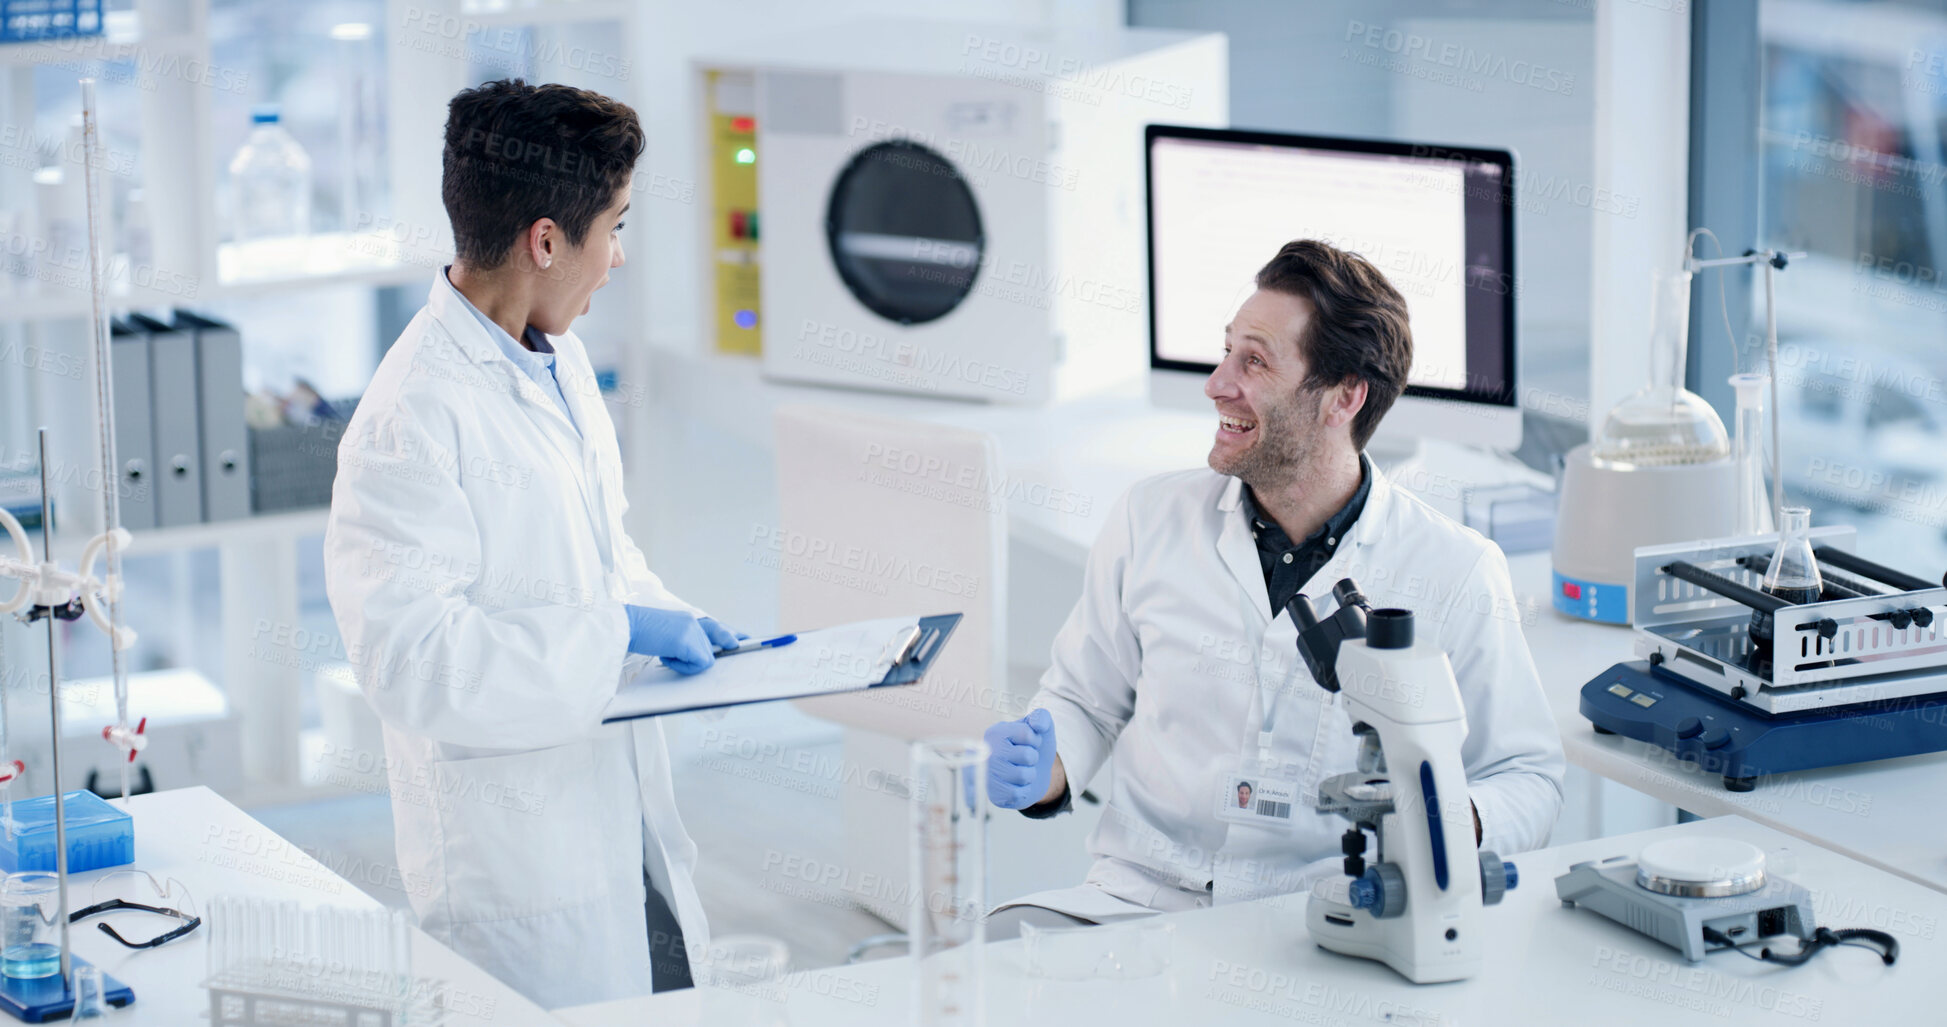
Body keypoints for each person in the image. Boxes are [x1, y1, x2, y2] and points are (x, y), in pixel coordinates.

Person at [979, 240, 1565, 934]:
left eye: (1252, 361)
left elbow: (1528, 776)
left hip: (1328, 920)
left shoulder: (1454, 567)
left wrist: (1448, 819)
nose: (1215, 382)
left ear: (1344, 396)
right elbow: (1082, 699)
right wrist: (1045, 762)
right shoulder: (1148, 519)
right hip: (1138, 906)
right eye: (1225, 351)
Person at [323, 79, 738, 1007]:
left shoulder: (557, 357)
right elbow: (414, 662)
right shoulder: (410, 417)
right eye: (615, 227)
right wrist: (614, 631)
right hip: (516, 871)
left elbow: (600, 551)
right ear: (545, 241)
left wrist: (669, 618)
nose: (619, 257)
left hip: (611, 811)